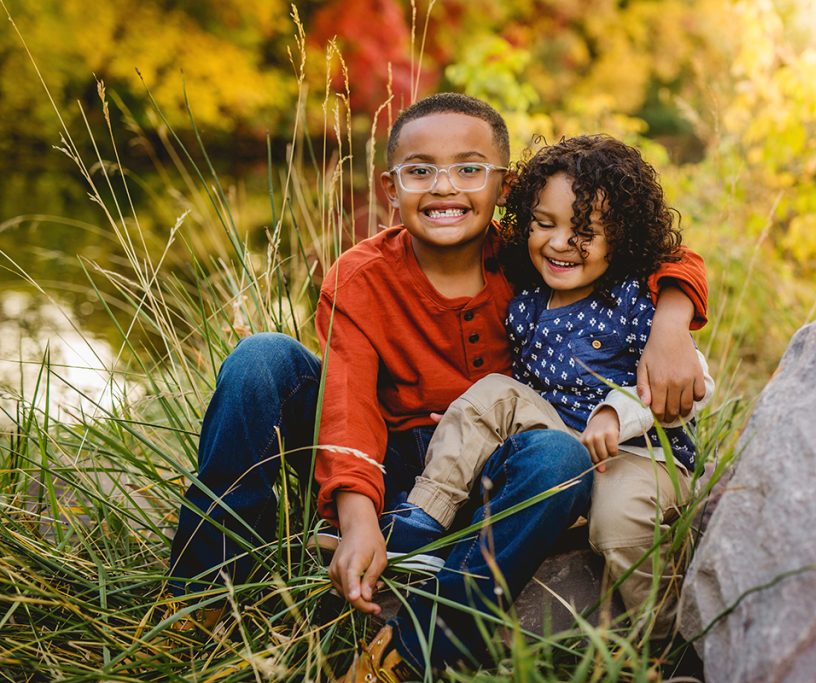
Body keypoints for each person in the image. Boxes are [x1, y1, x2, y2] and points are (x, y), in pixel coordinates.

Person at [166, 93, 709, 678]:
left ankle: (420, 647)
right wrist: (358, 522)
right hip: (392, 466)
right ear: (389, 188)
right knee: (260, 358)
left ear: (503, 189)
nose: (445, 187)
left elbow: (657, 250)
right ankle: (208, 594)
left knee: (559, 455)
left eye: (470, 168)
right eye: (420, 171)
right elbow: (348, 405)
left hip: (497, 475)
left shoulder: (532, 257)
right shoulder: (362, 275)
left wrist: (672, 322)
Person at [381, 134, 714, 646]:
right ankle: (421, 522)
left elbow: (695, 381)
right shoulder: (530, 293)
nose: (560, 242)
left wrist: (615, 413)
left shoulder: (632, 298)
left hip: (638, 454)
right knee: (494, 391)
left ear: (621, 237)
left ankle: (664, 640)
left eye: (584, 232)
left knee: (619, 520)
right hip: (558, 444)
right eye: (544, 224)